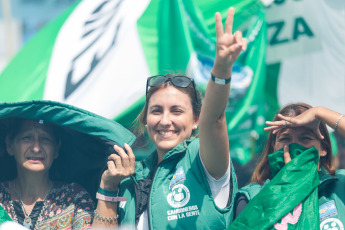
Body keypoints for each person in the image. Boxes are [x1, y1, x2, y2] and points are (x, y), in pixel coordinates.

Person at [92, 7, 247, 229]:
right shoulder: (129, 176)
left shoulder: (203, 160)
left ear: (196, 121)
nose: (165, 120)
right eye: (156, 111)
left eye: (177, 111)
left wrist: (221, 69)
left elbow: (215, 119)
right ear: (145, 119)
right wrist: (108, 186)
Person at [232, 103, 345, 229]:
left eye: (305, 138)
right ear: (274, 148)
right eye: (285, 138)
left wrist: (319, 112)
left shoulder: (339, 187)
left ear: (323, 148)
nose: (294, 146)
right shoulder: (252, 197)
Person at [0, 118, 94, 229]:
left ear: (56, 149)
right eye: (27, 138)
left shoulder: (75, 197)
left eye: (45, 139)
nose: (36, 148)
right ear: (10, 145)